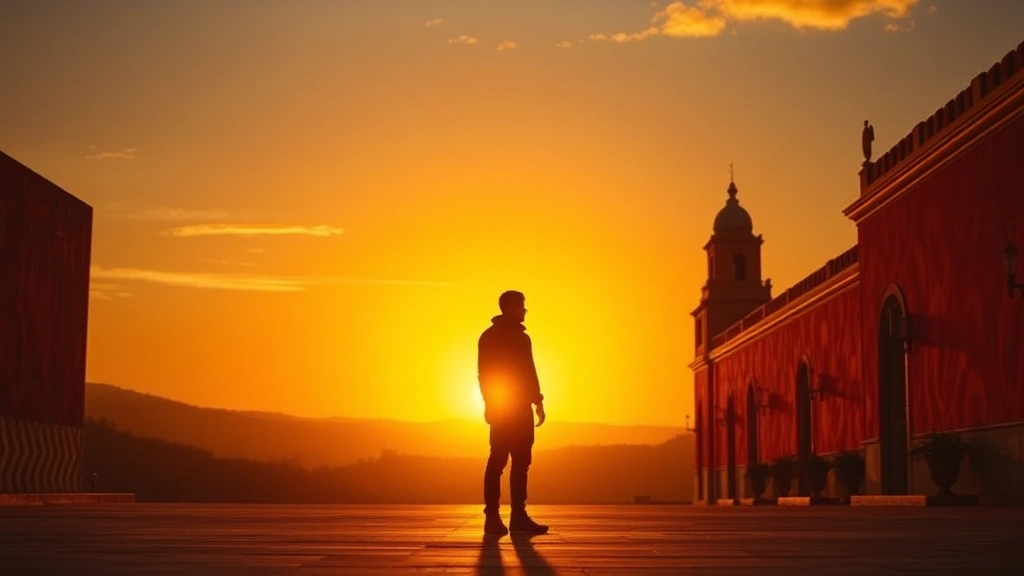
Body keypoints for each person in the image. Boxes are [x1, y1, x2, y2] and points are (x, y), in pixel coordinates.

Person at [478, 290, 549, 535]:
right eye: (521, 306)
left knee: (520, 461)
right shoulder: (491, 337)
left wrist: (536, 400)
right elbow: (486, 375)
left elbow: (529, 371)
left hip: (519, 408)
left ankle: (518, 517)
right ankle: (493, 518)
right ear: (510, 308)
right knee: (499, 460)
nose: (525, 311)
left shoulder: (520, 339)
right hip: (504, 408)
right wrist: (489, 404)